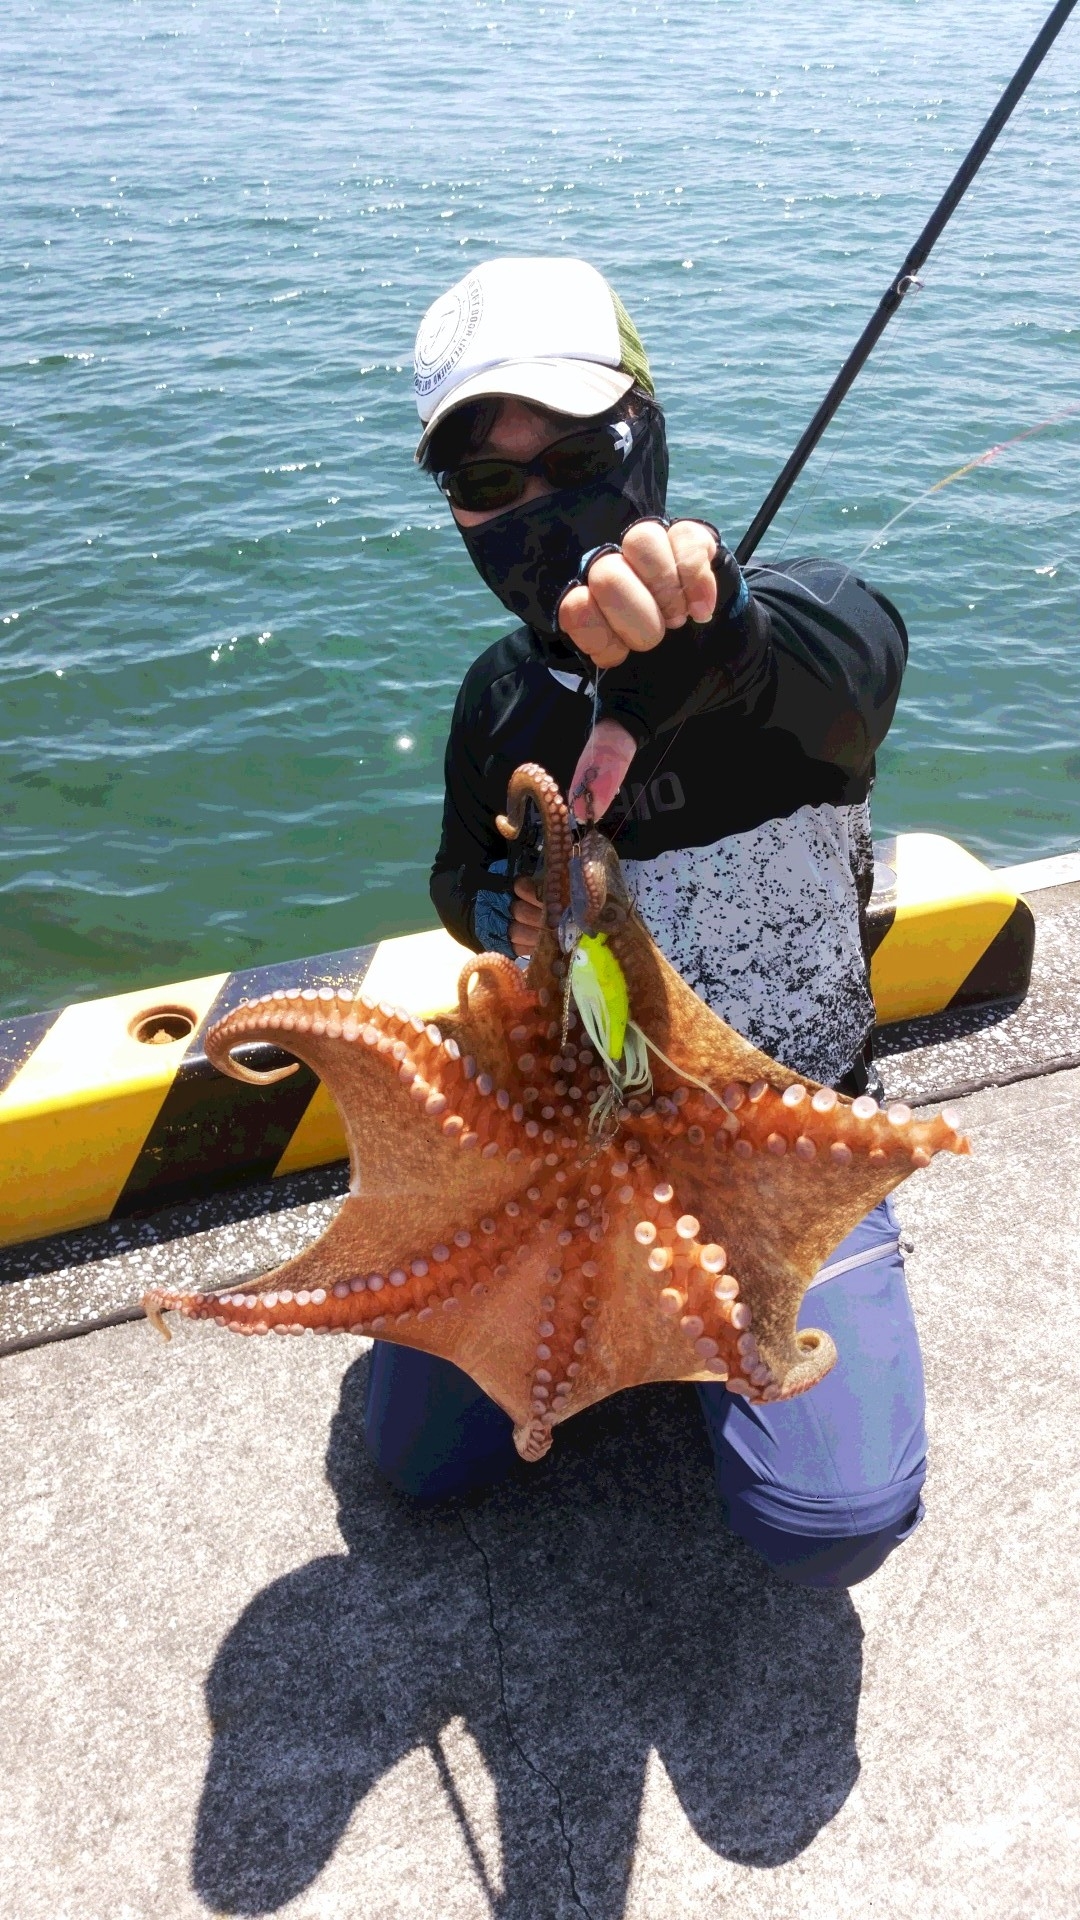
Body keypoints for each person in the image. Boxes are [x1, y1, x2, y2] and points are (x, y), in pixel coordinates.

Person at [364, 256, 925, 1590]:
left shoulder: (788, 632)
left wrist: (717, 641)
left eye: (579, 453)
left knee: (827, 1522)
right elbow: (458, 885)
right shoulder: (498, 701)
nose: (537, 505)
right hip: (568, 1143)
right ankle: (605, 1308)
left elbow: (852, 661)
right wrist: (513, 891)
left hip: (780, 1139)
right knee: (418, 1462)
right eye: (488, 481)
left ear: (648, 435)